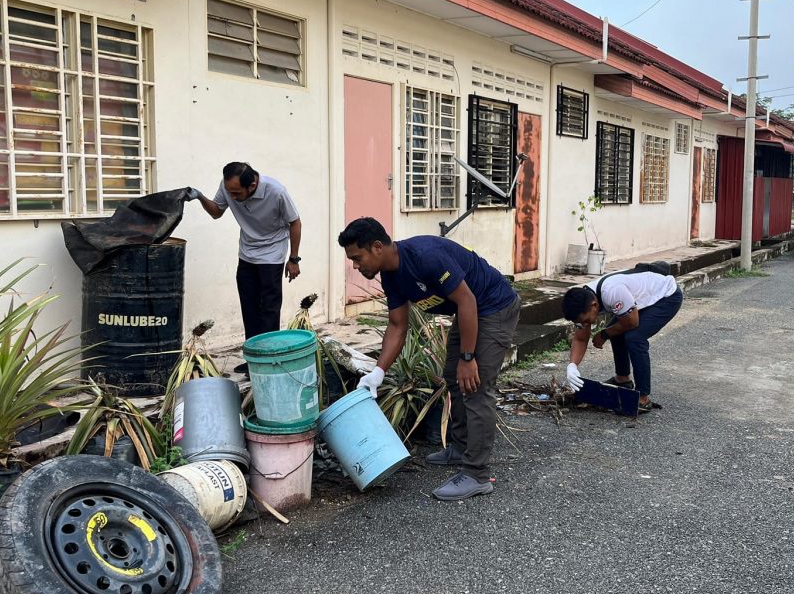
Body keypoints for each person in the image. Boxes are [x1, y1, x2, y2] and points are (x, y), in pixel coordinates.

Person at [339, 217, 520, 501]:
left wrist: (468, 358)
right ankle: (461, 448)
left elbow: (467, 300)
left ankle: (477, 474)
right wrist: (378, 372)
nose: (355, 266)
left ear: (377, 247)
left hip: (494, 306)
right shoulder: (391, 275)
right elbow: (397, 325)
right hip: (470, 309)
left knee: (475, 385)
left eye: (357, 258)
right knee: (454, 377)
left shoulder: (426, 257)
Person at [198, 162, 302, 373]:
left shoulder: (276, 192)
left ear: (252, 185)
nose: (232, 197)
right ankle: (253, 359)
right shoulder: (229, 186)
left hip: (272, 253)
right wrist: (199, 196)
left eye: (236, 193)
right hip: (247, 253)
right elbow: (217, 211)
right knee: (249, 308)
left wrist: (293, 259)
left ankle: (269, 361)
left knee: (268, 309)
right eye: (230, 192)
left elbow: (295, 222)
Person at [563, 266, 683, 413]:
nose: (585, 324)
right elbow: (581, 339)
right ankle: (623, 379)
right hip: (640, 299)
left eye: (586, 320)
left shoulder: (612, 292)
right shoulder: (584, 299)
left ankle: (643, 397)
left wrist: (605, 334)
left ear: (594, 306)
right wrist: (572, 366)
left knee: (635, 338)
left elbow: (632, 322)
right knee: (616, 331)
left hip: (667, 296)